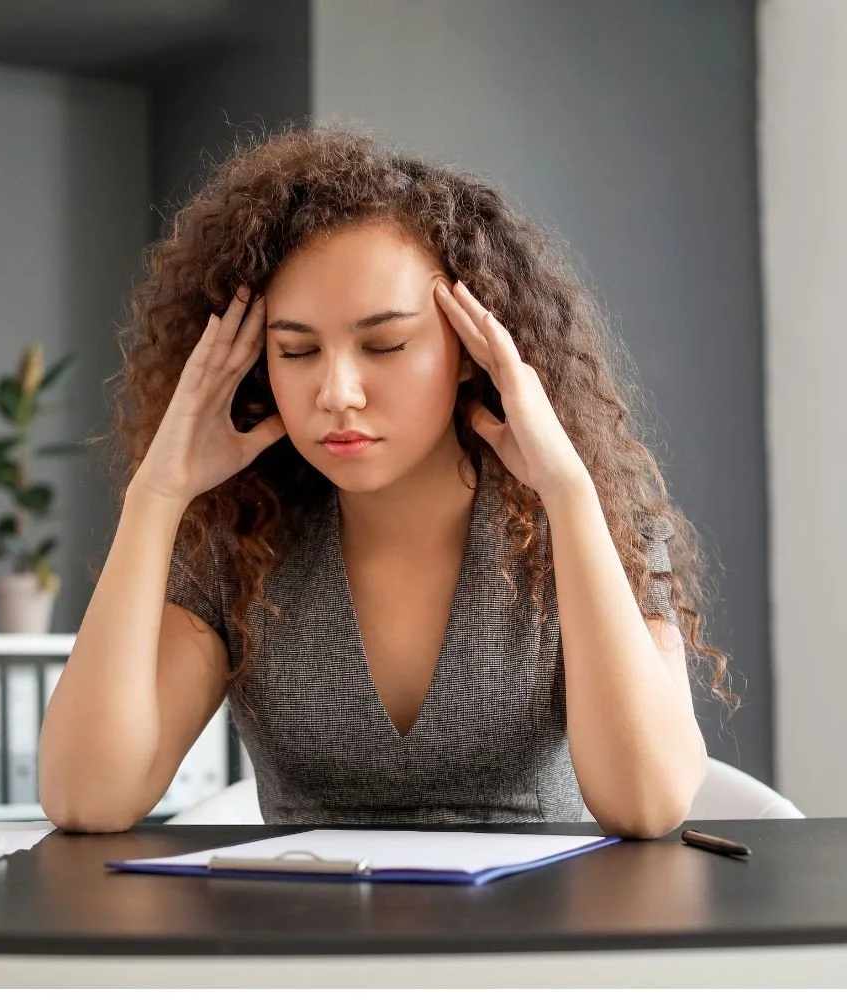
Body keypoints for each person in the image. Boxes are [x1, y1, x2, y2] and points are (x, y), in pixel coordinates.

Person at [38, 126, 732, 839]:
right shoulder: (239, 548)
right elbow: (86, 798)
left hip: (530, 944)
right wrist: (156, 497)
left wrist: (571, 494)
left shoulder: (593, 530)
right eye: (298, 350)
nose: (337, 391)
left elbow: (647, 804)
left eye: (385, 345)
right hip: (308, 942)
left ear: (470, 351)